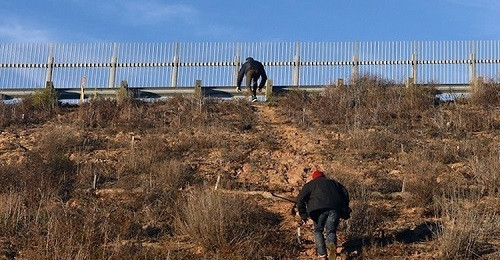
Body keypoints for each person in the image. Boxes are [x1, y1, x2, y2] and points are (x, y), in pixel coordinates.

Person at [296, 170, 350, 260]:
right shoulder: (334, 183)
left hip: (317, 211)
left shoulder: (310, 185)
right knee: (331, 231)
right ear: (323, 176)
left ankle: (323, 256)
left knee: (318, 231)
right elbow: (345, 193)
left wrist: (303, 214)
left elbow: (300, 199)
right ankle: (332, 246)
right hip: (334, 209)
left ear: (314, 177)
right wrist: (345, 209)